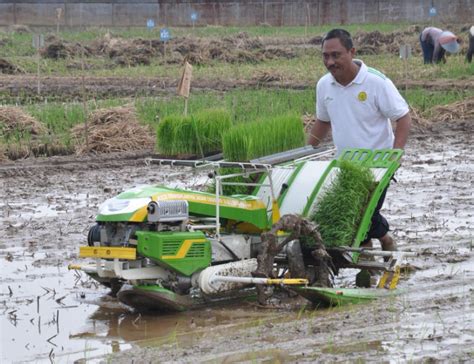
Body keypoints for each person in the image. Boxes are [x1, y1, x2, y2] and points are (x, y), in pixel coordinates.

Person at [308, 28, 412, 253]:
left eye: (336, 55)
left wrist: (396, 155)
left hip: (379, 165)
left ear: (352, 52)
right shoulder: (324, 85)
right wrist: (305, 151)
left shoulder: (376, 82)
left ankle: (371, 264)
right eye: (325, 56)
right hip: (346, 165)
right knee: (355, 216)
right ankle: (381, 245)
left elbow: (403, 117)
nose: (330, 62)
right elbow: (323, 122)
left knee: (364, 215)